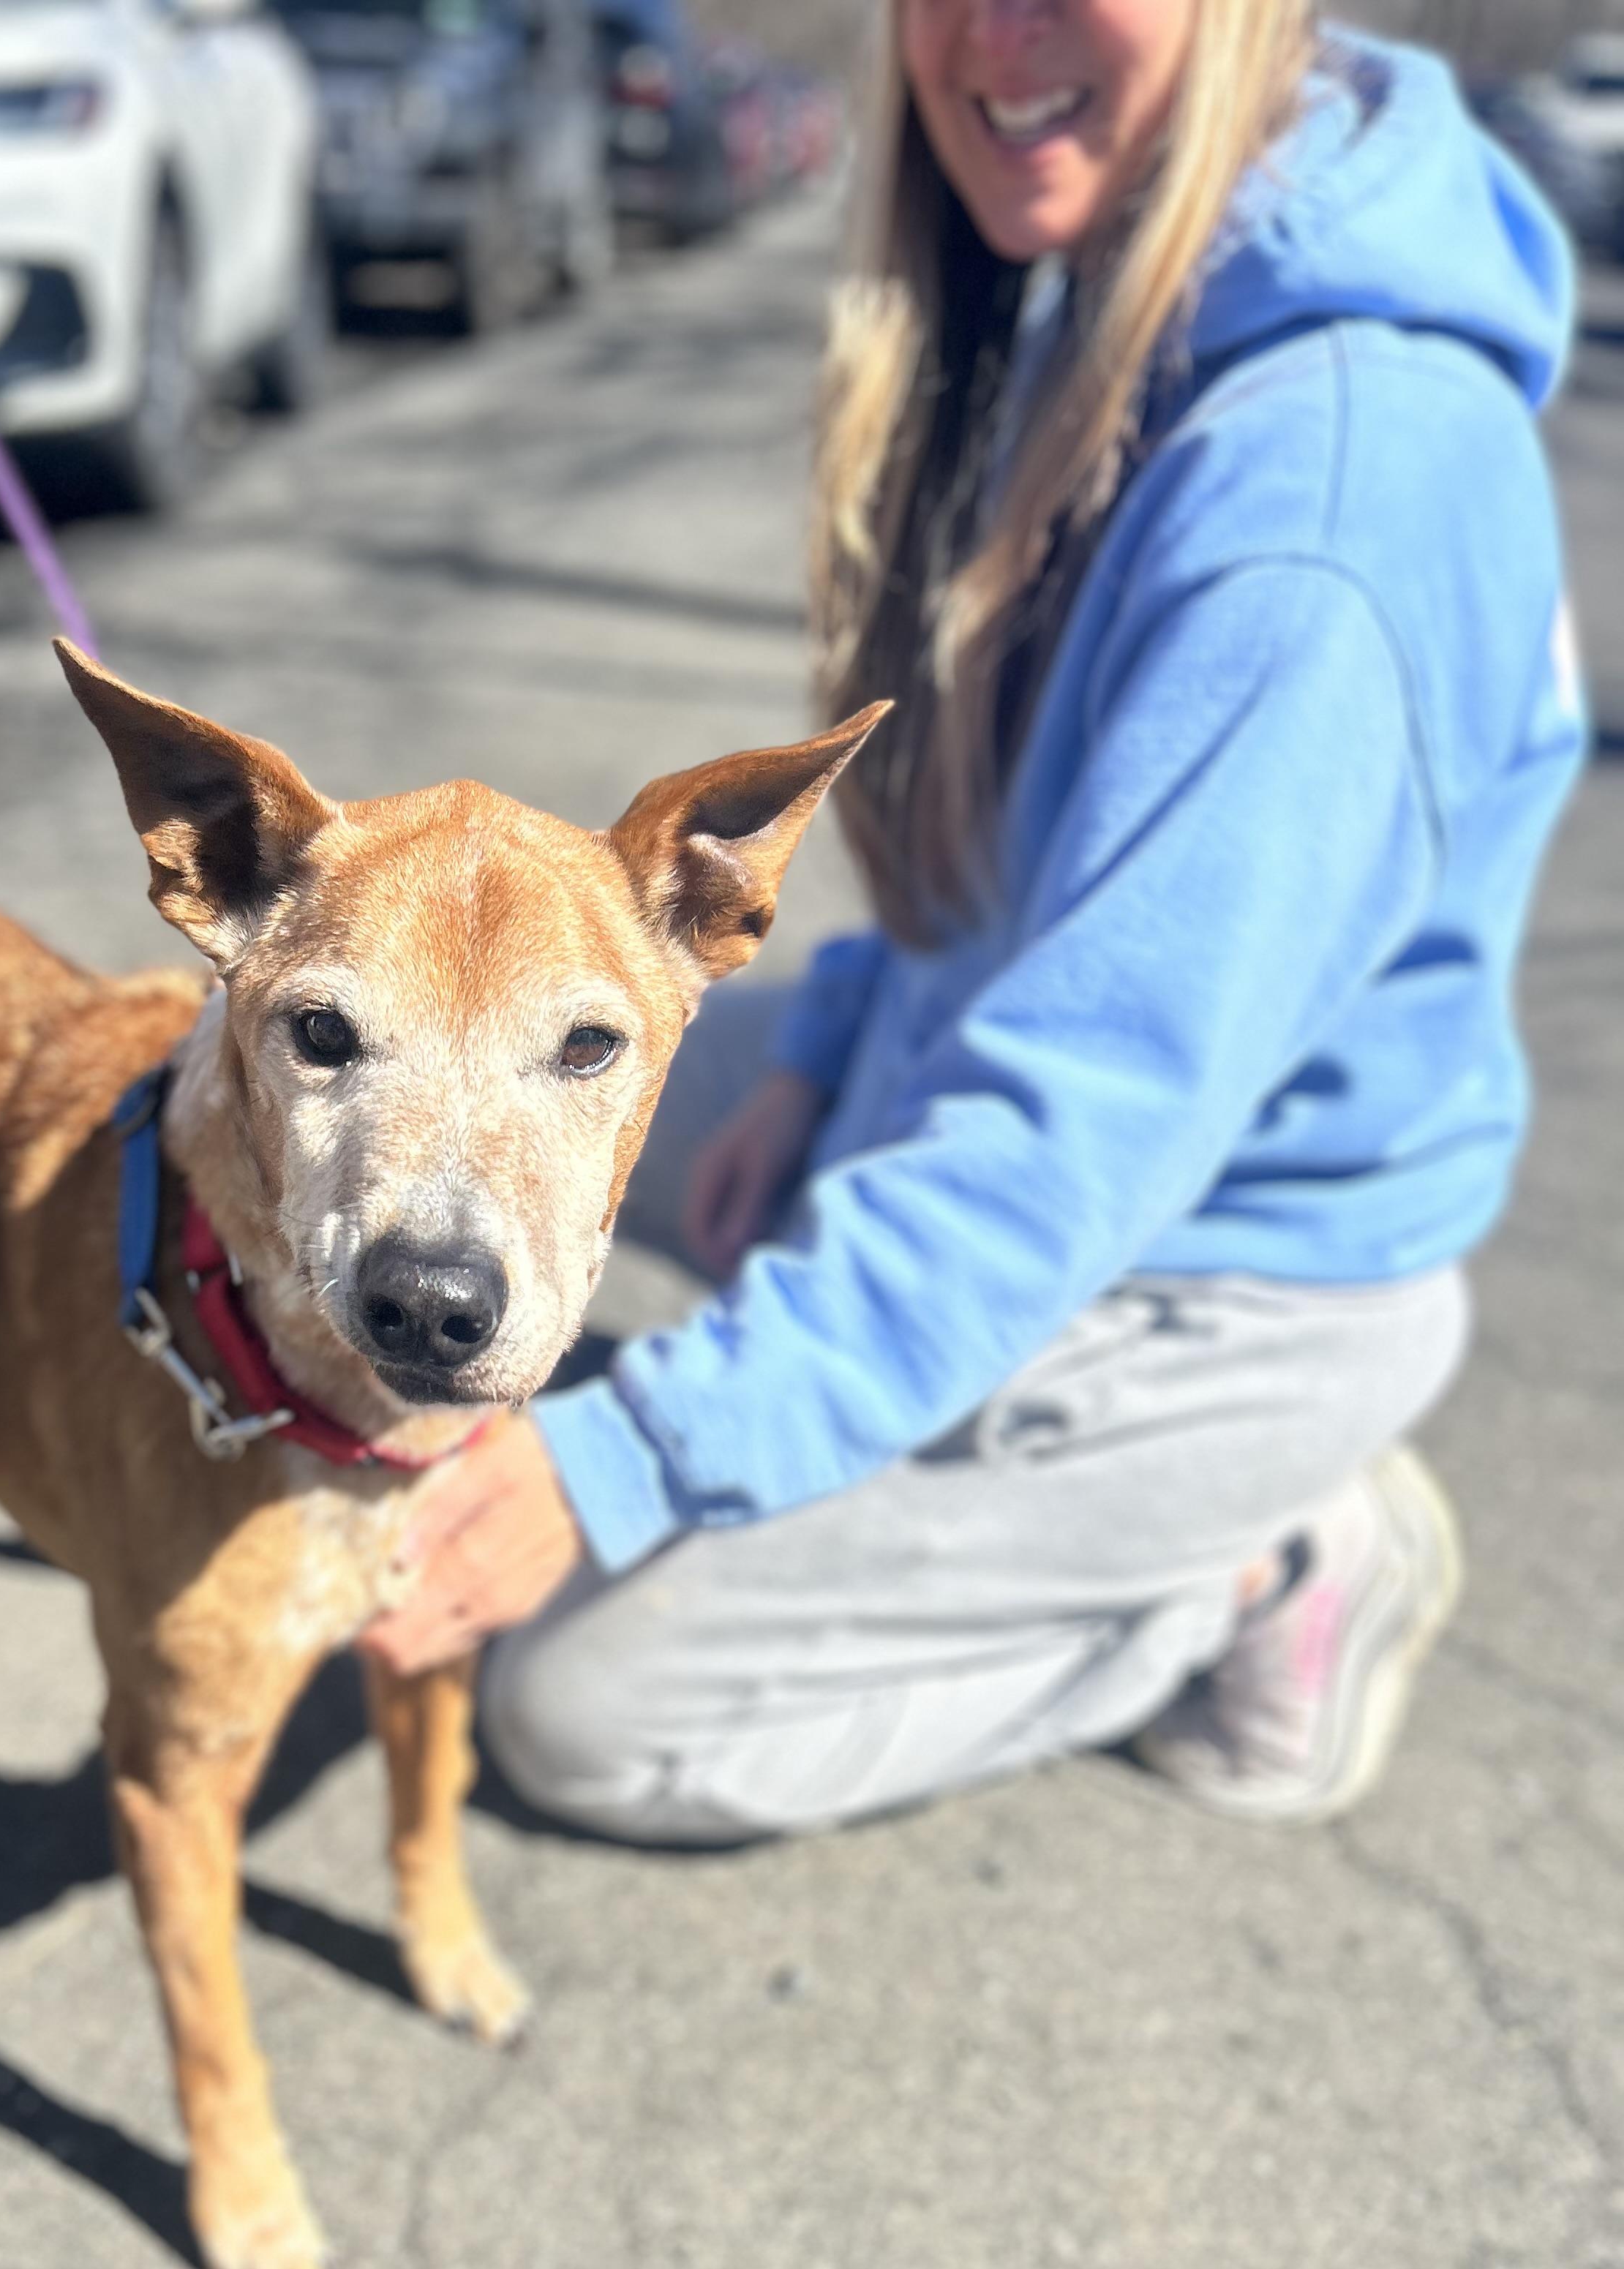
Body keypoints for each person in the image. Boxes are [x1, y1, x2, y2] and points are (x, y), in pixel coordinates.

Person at [362, 0, 1584, 1837]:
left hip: (1213, 1272)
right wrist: (851, 1053)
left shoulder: (1334, 501)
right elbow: (1043, 888)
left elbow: (1083, 1127)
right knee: (582, 1069)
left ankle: (1264, 1567)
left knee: (595, 1713)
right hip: (1035, 1105)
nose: (989, 33)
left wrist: (628, 1455)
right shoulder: (1119, 280)